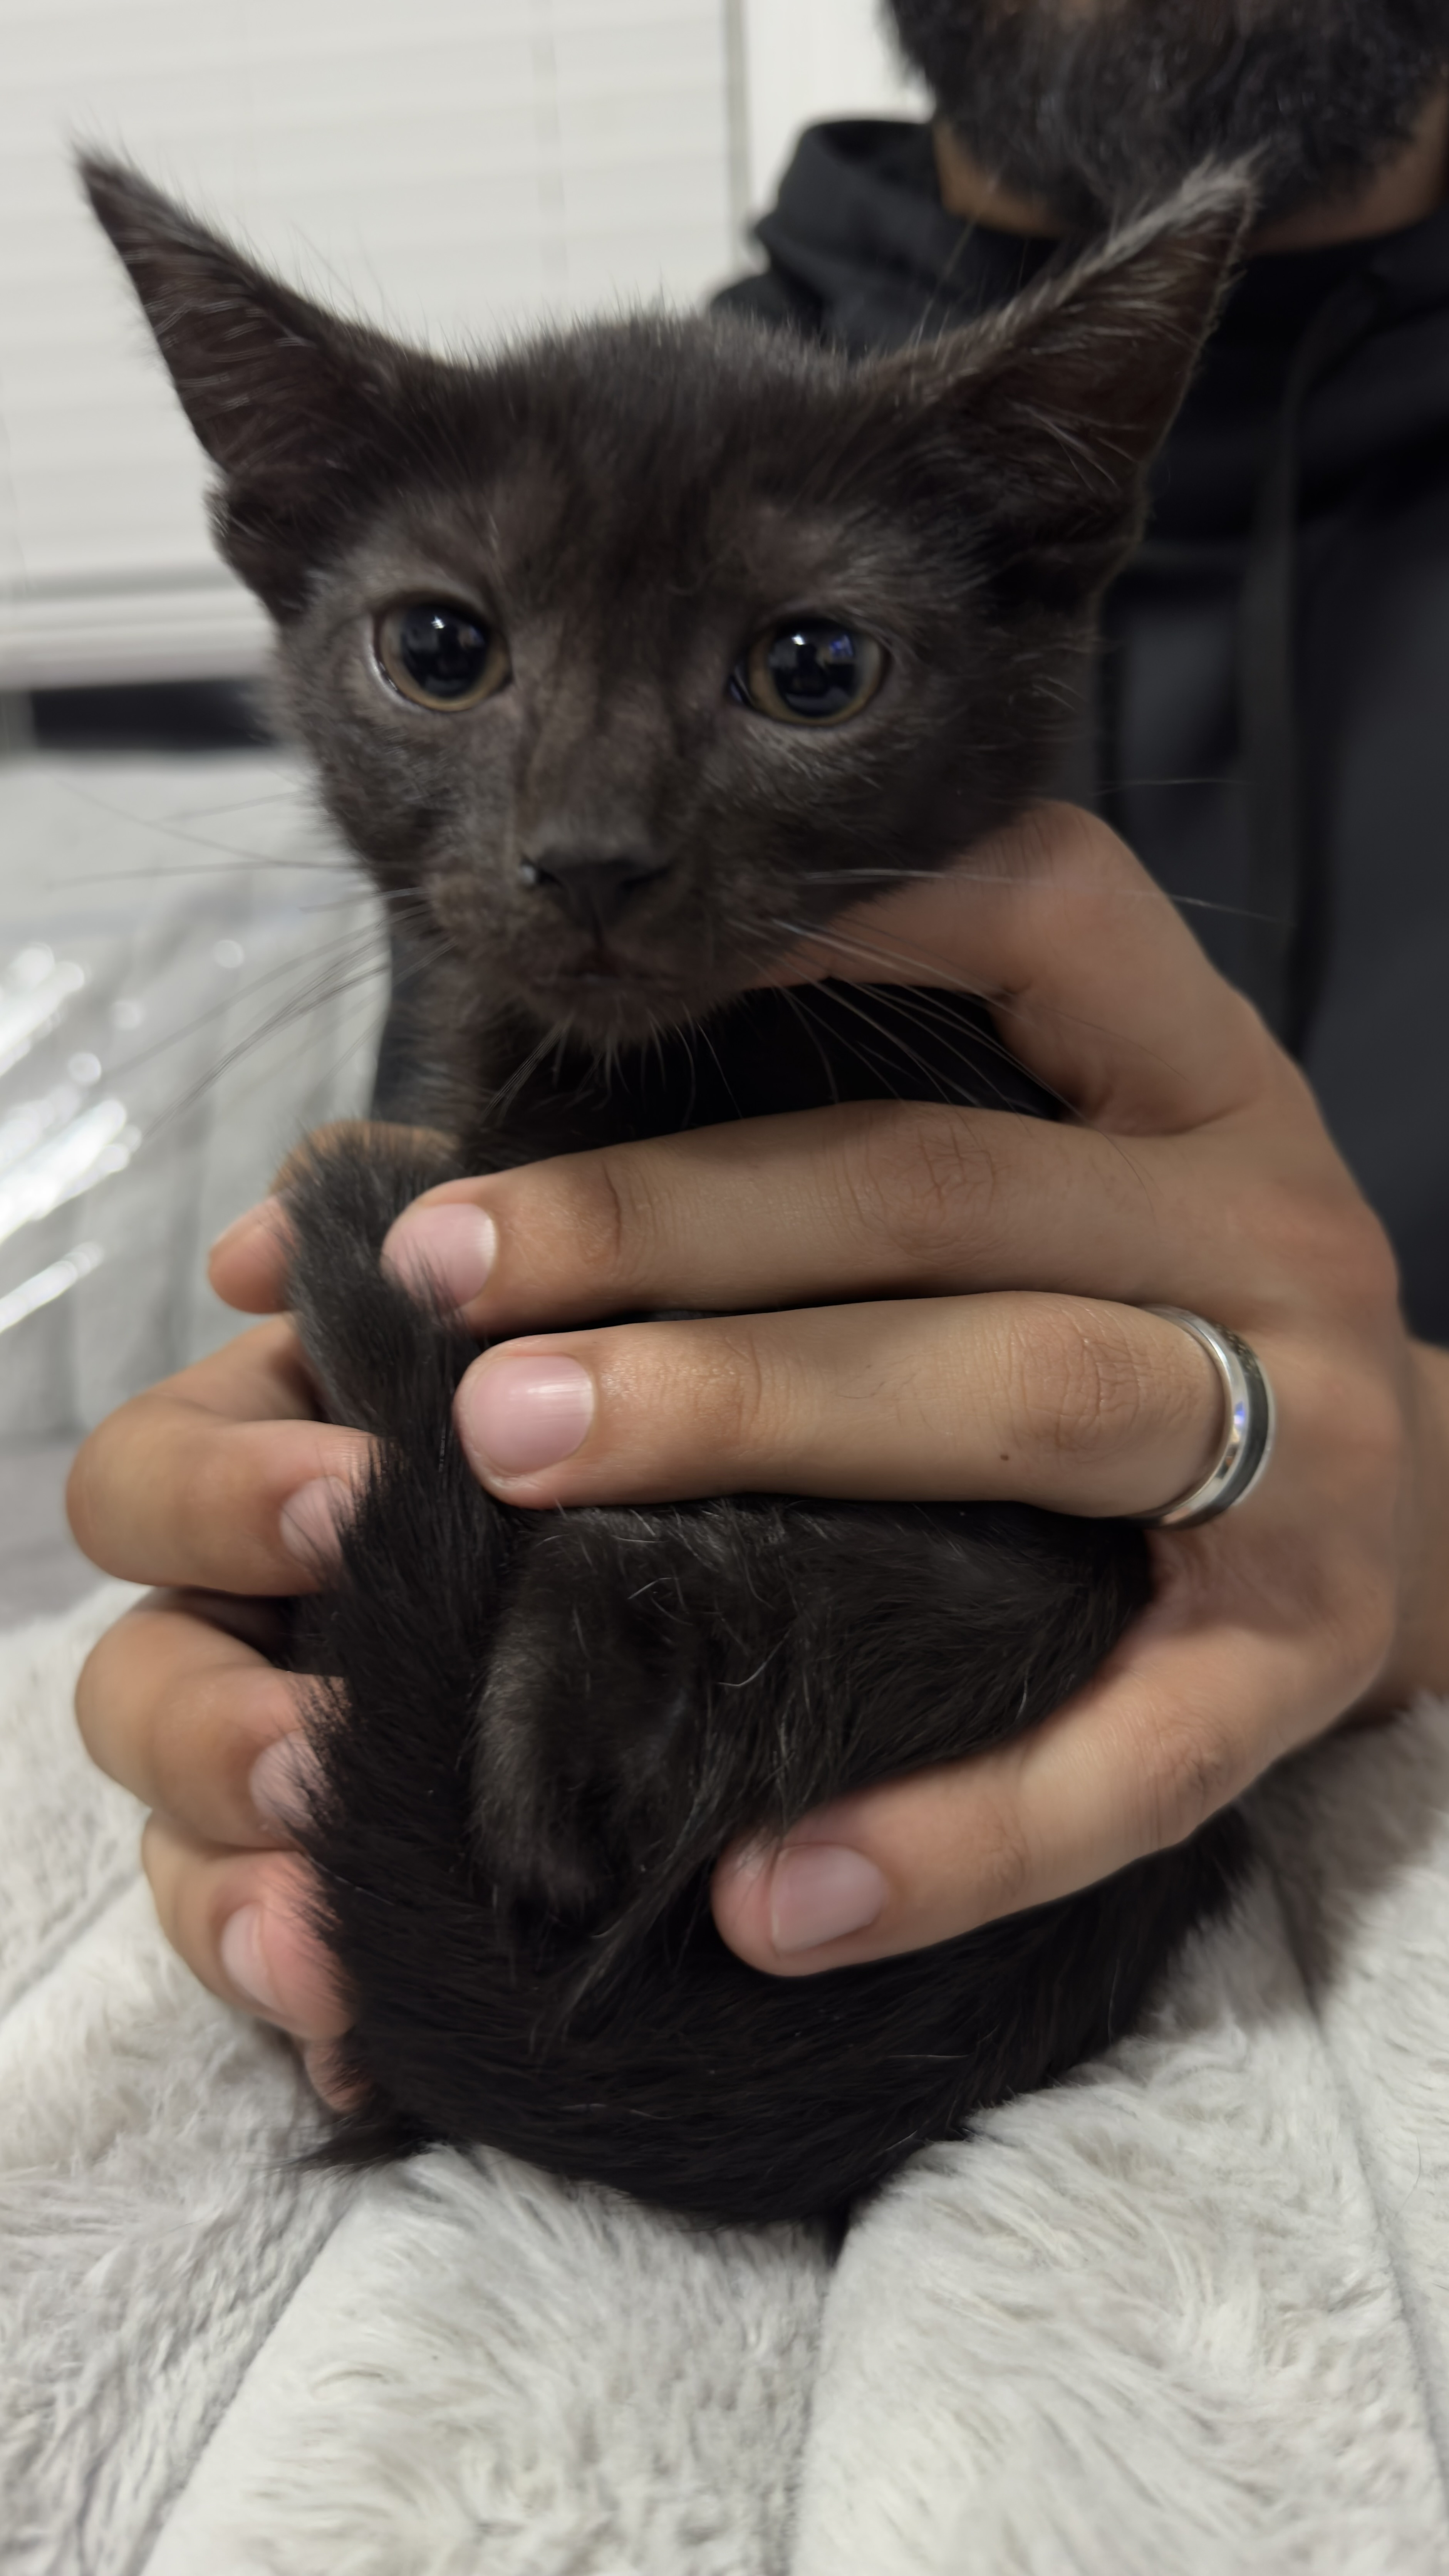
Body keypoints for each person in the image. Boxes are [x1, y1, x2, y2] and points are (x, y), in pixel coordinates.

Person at [65, 1, 1449, 2103]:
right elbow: (503, 1364)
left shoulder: (906, 491)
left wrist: (1401, 1490)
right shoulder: (606, 454)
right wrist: (321, 1552)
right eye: (443, 653)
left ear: (1050, 532)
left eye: (807, 670)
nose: (587, 835)